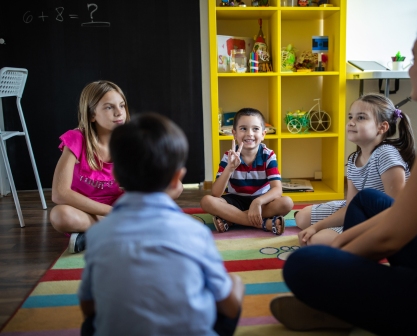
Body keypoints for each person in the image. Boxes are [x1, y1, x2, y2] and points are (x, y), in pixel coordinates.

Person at [270, 14, 417, 336]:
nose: (409, 69)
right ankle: (354, 301)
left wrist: (336, 261)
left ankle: (347, 307)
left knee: (303, 264)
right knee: (369, 200)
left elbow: (391, 235)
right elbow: (399, 216)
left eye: (414, 60)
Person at [78, 113, 244, 336]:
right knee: (234, 284)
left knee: (90, 325)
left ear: (116, 176)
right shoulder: (195, 233)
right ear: (177, 178)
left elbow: (88, 307)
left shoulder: (98, 234)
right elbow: (230, 307)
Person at [50, 80, 184, 254]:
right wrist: (114, 212)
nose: (119, 112)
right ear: (91, 115)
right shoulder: (76, 138)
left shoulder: (131, 141)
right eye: (109, 107)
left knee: (176, 187)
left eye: (121, 105)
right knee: (59, 215)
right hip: (86, 210)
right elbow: (59, 193)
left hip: (121, 206)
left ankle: (99, 234)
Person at [296, 93, 415, 246]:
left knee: (315, 240)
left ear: (382, 127)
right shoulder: (353, 159)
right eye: (350, 117)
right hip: (359, 211)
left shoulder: (386, 154)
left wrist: (321, 230)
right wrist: (317, 226)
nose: (351, 123)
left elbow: (397, 210)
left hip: (383, 219)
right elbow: (351, 206)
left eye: (361, 118)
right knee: (302, 218)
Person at [200, 108, 293, 234]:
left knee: (287, 202)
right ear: (234, 133)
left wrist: (257, 202)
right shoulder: (229, 156)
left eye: (255, 129)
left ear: (263, 134)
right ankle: (263, 224)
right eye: (243, 128)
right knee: (207, 201)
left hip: (262, 202)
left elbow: (277, 189)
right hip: (235, 201)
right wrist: (230, 168)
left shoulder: (268, 155)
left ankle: (231, 219)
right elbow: (216, 193)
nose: (249, 133)